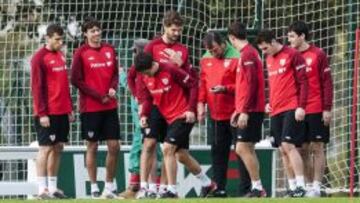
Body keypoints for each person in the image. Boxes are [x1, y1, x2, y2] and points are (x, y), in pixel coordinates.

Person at [134, 10, 197, 199]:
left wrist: (182, 65)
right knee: (149, 143)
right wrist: (141, 104)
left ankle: (165, 188)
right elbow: (140, 75)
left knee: (173, 150)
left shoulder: (183, 50)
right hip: (154, 104)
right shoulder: (152, 46)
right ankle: (146, 187)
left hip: (176, 104)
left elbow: (189, 79)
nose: (176, 33)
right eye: (173, 29)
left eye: (179, 30)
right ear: (165, 27)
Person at [135, 52, 216, 198]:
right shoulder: (145, 76)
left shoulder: (170, 70)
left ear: (153, 64)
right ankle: (208, 184)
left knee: (167, 148)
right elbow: (147, 98)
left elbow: (192, 84)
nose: (147, 75)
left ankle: (171, 190)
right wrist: (144, 115)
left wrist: (191, 110)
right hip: (168, 118)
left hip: (183, 115)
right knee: (181, 155)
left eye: (148, 72)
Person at [71, 17, 120, 199]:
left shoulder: (109, 49)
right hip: (90, 107)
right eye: (92, 30)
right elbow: (75, 80)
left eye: (98, 29)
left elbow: (115, 73)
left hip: (110, 106)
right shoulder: (81, 52)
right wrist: (99, 96)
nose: (96, 33)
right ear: (86, 34)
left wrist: (113, 87)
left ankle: (108, 187)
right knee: (92, 146)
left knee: (114, 146)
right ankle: (93, 187)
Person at [197, 31, 251, 197]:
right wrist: (200, 103)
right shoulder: (206, 59)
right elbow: (203, 83)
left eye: (215, 49)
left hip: (235, 114)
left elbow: (244, 86)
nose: (213, 53)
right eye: (210, 51)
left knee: (241, 151)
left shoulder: (237, 57)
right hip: (215, 115)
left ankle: (246, 191)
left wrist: (226, 89)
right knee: (218, 152)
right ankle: (219, 189)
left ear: (223, 43)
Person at [256, 29, 308, 197]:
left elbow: (303, 82)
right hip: (275, 109)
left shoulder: (293, 54)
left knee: (289, 145)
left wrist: (301, 106)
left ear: (272, 42)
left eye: (265, 48)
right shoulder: (269, 59)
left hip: (291, 106)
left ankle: (302, 186)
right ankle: (293, 187)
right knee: (281, 149)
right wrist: (268, 103)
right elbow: (273, 84)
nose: (263, 52)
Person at [287, 21, 333, 197]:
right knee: (302, 149)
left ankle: (316, 187)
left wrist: (327, 108)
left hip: (316, 107)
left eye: (292, 36)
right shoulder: (290, 55)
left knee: (318, 147)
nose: (289, 40)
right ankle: (306, 187)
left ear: (302, 36)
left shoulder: (318, 54)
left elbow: (327, 83)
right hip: (297, 109)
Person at [30, 24, 73, 199]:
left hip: (63, 111)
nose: (60, 42)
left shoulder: (61, 56)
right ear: (47, 38)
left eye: (62, 39)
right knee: (45, 148)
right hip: (48, 112)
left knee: (58, 148)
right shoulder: (39, 58)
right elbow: (37, 87)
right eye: (57, 39)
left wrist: (69, 108)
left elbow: (64, 85)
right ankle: (42, 189)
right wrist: (42, 113)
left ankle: (53, 188)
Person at [118, 39, 163, 199]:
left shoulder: (148, 67)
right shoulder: (136, 68)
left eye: (135, 51)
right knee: (149, 145)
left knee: (141, 144)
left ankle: (136, 185)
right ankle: (153, 185)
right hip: (141, 110)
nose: (133, 54)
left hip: (146, 110)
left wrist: (139, 97)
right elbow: (129, 81)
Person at [228, 22, 266, 197]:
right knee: (247, 148)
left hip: (251, 109)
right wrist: (238, 109)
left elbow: (251, 84)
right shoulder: (248, 53)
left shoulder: (248, 54)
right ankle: (256, 187)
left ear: (231, 38)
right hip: (248, 107)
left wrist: (244, 110)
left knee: (242, 148)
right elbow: (245, 86)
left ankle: (257, 187)